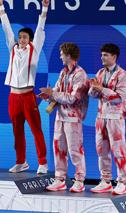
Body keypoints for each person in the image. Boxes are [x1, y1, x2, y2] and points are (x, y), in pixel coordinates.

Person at [0, 0, 49, 174]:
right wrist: (2, 8)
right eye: (20, 36)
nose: (21, 39)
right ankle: (21, 161)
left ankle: (42, 162)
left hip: (28, 96)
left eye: (24, 36)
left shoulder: (34, 49)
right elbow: (6, 28)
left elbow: (40, 28)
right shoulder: (12, 47)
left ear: (31, 39)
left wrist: (44, 9)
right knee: (17, 131)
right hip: (13, 97)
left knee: (36, 129)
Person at [38, 43, 89, 192]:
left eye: (61, 54)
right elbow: (57, 90)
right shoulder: (63, 72)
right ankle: (60, 179)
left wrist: (53, 93)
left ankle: (79, 180)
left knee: (75, 150)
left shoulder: (80, 75)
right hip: (60, 117)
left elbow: (73, 98)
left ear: (69, 56)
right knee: (58, 148)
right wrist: (48, 95)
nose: (60, 56)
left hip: (73, 118)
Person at [88, 43, 126, 195]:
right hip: (101, 117)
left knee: (118, 150)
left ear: (114, 57)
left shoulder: (123, 75)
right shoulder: (100, 72)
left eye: (105, 55)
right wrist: (93, 88)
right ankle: (105, 181)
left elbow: (121, 97)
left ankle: (121, 182)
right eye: (102, 55)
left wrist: (102, 89)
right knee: (101, 150)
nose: (102, 58)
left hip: (115, 118)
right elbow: (93, 95)